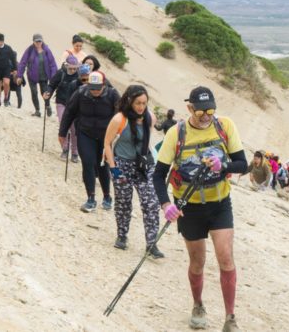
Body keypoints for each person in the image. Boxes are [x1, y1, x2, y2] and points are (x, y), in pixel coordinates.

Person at [152, 86, 247, 332]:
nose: (206, 115)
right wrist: (166, 205)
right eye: (201, 111)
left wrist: (223, 163)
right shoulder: (177, 133)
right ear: (190, 108)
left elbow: (242, 164)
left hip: (219, 203)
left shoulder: (224, 126)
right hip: (188, 206)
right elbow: (158, 174)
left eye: (211, 110)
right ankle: (198, 304)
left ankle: (230, 318)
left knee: (225, 257)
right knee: (198, 261)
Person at [103, 85, 163, 258]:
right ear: (129, 101)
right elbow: (107, 143)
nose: (141, 107)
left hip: (143, 165)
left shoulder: (149, 118)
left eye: (144, 103)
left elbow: (146, 140)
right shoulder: (119, 119)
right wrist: (113, 168)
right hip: (122, 164)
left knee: (151, 202)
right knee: (123, 202)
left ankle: (152, 244)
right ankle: (122, 235)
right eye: (138, 103)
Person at [58, 71, 119, 212]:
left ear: (104, 85)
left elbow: (121, 115)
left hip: (106, 136)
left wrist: (119, 134)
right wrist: (62, 132)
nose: (95, 91)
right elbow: (69, 112)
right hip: (85, 133)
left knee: (103, 165)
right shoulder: (80, 93)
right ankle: (91, 198)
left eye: (98, 88)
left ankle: (107, 196)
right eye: (92, 87)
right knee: (88, 163)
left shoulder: (113, 95)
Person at [44, 55, 82, 162]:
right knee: (63, 125)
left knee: (75, 129)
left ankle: (75, 153)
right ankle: (65, 149)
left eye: (75, 68)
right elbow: (51, 85)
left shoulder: (79, 75)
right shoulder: (61, 73)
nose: (73, 70)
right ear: (66, 65)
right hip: (61, 102)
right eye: (71, 68)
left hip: (75, 106)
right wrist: (48, 93)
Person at [16, 33, 57, 117]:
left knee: (45, 93)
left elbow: (52, 64)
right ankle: (37, 110)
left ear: (42, 41)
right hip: (32, 76)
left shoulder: (47, 50)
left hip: (44, 76)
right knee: (34, 92)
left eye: (40, 41)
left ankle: (48, 106)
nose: (38, 43)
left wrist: (53, 77)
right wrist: (19, 76)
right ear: (33, 42)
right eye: (36, 41)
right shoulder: (30, 50)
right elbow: (23, 63)